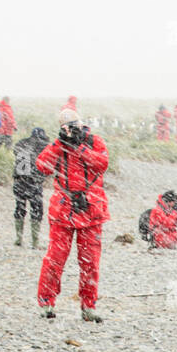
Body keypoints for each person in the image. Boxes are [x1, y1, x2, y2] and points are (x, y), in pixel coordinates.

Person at [36, 109, 110, 322]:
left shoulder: (95, 141)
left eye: (74, 125)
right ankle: (46, 303)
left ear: (82, 123)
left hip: (91, 208)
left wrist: (79, 147)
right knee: (55, 259)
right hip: (64, 209)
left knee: (90, 262)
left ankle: (88, 306)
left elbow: (102, 164)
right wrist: (60, 144)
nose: (72, 130)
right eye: (66, 127)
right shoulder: (58, 145)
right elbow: (42, 166)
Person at [12, 127, 49, 248]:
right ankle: (35, 242)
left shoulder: (21, 143)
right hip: (34, 183)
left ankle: (18, 238)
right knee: (37, 211)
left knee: (19, 209)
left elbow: (15, 152)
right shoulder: (43, 146)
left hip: (19, 181)